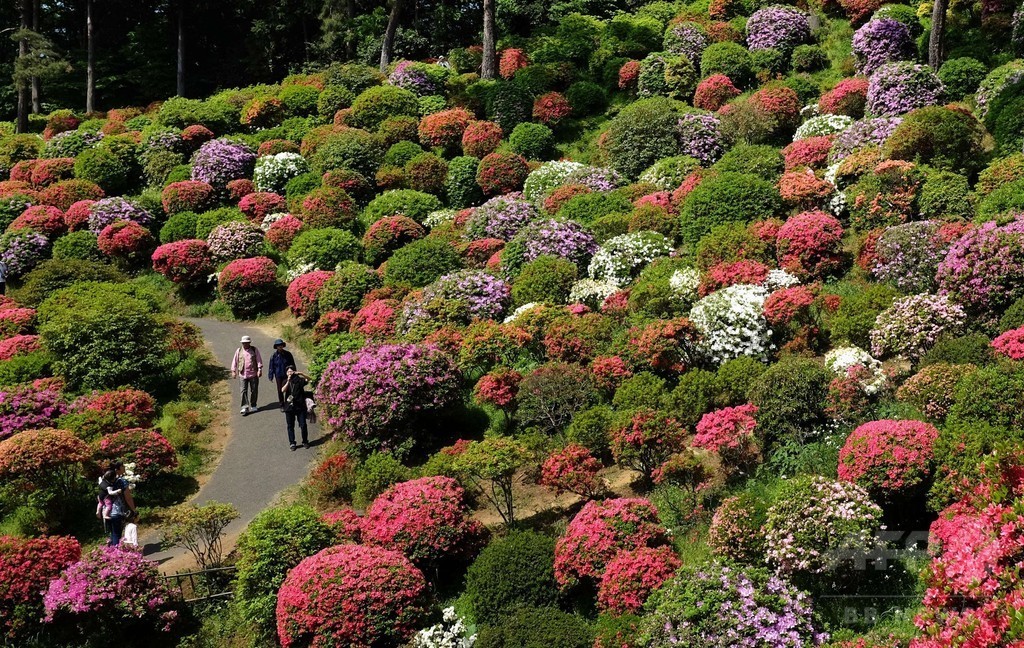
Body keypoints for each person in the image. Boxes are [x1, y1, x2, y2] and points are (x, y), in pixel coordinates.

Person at [105, 461, 137, 547]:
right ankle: (117, 556)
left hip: (106, 511)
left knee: (113, 534)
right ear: (117, 469)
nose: (124, 467)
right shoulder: (122, 482)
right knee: (117, 535)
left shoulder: (106, 482)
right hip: (118, 511)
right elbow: (128, 498)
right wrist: (133, 510)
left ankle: (111, 554)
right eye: (122, 466)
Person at [231, 335, 262, 415]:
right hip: (242, 374)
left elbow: (259, 360)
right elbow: (235, 361)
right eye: (244, 343)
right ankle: (244, 407)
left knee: (254, 390)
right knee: (243, 391)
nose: (245, 344)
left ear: (249, 343)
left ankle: (253, 405)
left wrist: (259, 370)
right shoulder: (239, 350)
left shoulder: (254, 350)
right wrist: (233, 371)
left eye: (246, 343)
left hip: (253, 374)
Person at [281, 365, 310, 451]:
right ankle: (292, 443)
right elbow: (283, 390)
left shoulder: (299, 380)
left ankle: (305, 441)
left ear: (294, 372)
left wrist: (302, 374)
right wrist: (288, 381)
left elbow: (309, 379)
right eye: (288, 372)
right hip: (289, 408)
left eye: (291, 371)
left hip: (300, 406)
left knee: (303, 425)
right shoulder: (285, 381)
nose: (290, 373)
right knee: (290, 426)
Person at [267, 339, 295, 411]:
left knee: (288, 389)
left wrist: (294, 373)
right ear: (276, 347)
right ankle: (281, 404)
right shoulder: (273, 356)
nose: (280, 347)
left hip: (287, 374)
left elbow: (292, 364)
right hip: (278, 375)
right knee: (280, 390)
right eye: (278, 345)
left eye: (281, 345)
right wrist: (271, 376)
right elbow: (271, 366)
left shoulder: (288, 354)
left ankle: (288, 403)